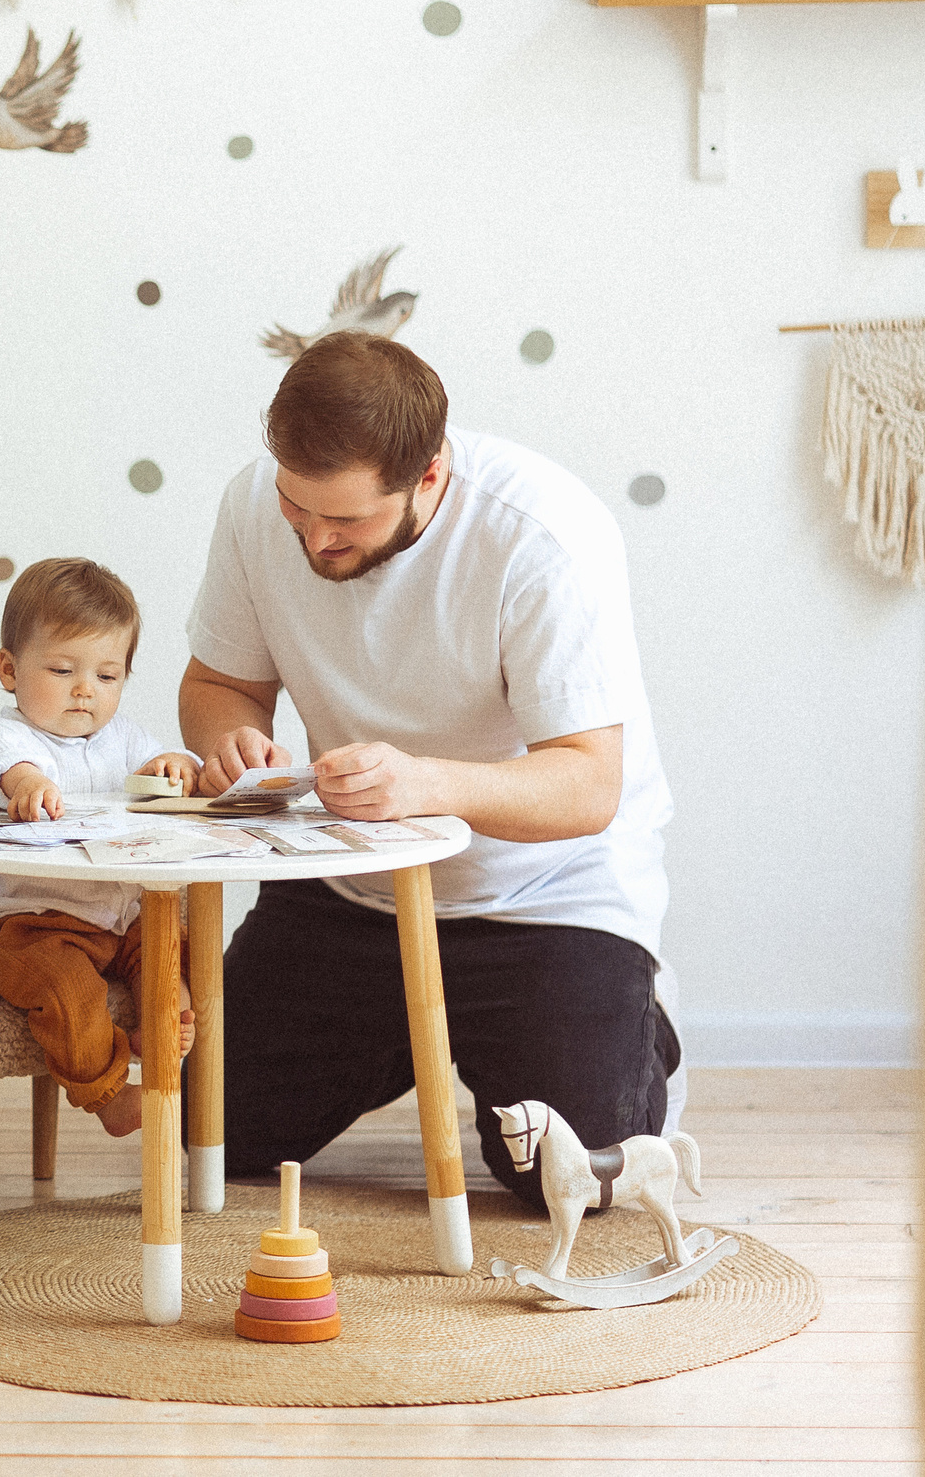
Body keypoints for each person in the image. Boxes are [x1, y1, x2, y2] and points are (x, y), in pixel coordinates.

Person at [177, 332, 679, 1205]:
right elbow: (221, 685)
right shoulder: (259, 505)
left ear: (430, 475)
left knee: (564, 1175)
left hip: (542, 895)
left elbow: (588, 782)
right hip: (353, 886)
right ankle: (409, 1030)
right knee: (212, 1125)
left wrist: (428, 783)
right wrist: (233, 740)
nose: (315, 536)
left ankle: (630, 1023)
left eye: (348, 519)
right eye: (298, 505)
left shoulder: (541, 536)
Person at [0, 558, 200, 1138]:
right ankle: (105, 1093)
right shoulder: (4, 737)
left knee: (175, 946)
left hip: (116, 918)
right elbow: (3, 767)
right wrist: (27, 783)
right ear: (10, 670)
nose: (86, 689)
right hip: (22, 927)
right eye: (63, 670)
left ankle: (165, 1026)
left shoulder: (124, 738)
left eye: (108, 676)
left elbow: (166, 766)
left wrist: (176, 765)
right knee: (67, 990)